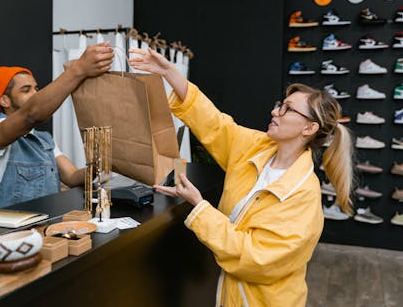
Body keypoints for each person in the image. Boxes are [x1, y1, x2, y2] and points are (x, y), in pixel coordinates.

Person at [129, 47, 354, 307]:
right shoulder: (257, 147)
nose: (275, 112)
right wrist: (169, 72)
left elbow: (255, 259)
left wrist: (200, 207)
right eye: (280, 105)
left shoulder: (303, 196)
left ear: (309, 128)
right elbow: (213, 123)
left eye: (287, 109)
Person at [0, 42, 114, 208]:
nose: (35, 94)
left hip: (45, 229)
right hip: (8, 233)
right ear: (4, 100)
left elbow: (72, 177)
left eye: (36, 89)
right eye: (25, 90)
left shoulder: (44, 140)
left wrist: (99, 162)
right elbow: (31, 114)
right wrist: (78, 70)